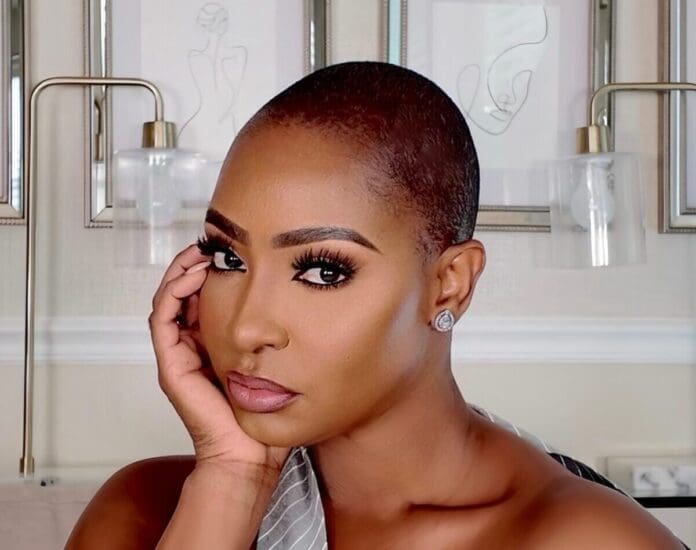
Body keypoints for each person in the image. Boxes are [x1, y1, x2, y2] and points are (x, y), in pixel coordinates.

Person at [66, 62, 686, 549]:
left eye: (322, 271)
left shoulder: (584, 539)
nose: (248, 327)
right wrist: (232, 480)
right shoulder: (143, 512)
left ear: (449, 285)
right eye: (229, 258)